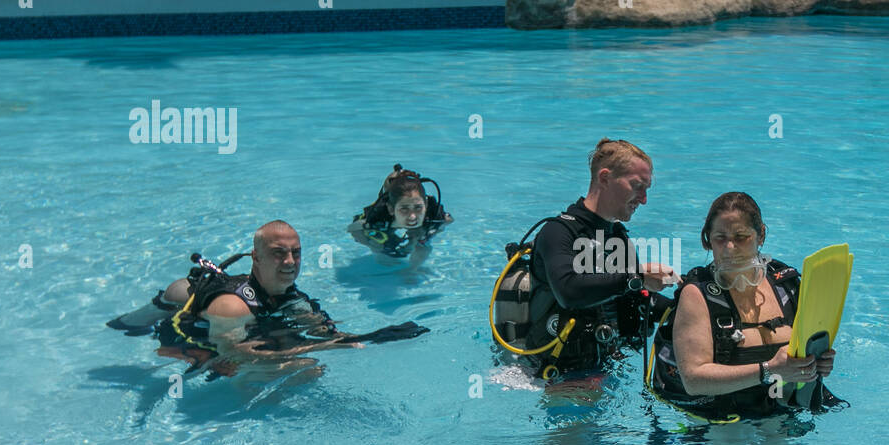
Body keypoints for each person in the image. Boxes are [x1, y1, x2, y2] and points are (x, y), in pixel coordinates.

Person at [111, 221, 425, 377]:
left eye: (296, 253)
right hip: (196, 340)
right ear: (256, 259)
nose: (290, 262)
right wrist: (316, 349)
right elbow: (232, 357)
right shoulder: (232, 307)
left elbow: (325, 331)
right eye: (278, 254)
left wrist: (355, 341)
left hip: (251, 321)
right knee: (306, 369)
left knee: (308, 360)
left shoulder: (288, 294)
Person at [492, 139, 676, 380]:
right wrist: (637, 278)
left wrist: (688, 303)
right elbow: (569, 292)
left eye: (646, 190)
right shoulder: (557, 233)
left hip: (600, 369)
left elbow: (635, 299)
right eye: (637, 186)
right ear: (605, 177)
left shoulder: (617, 238)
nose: (643, 199)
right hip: (550, 375)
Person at [649, 192, 836, 420]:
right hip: (721, 421)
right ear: (707, 240)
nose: (729, 247)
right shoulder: (697, 295)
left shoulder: (786, 287)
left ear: (761, 236)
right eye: (720, 238)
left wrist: (817, 363)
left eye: (741, 237)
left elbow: (806, 350)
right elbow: (694, 381)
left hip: (781, 409)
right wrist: (769, 369)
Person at [348, 165, 452, 268]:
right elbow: (353, 229)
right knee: (378, 243)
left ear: (426, 205)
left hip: (411, 192)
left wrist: (428, 234)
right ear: (391, 209)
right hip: (391, 188)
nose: (412, 216)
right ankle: (398, 174)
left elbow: (448, 220)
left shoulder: (432, 213)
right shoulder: (380, 214)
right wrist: (374, 246)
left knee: (423, 244)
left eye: (418, 208)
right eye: (404, 209)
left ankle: (412, 270)